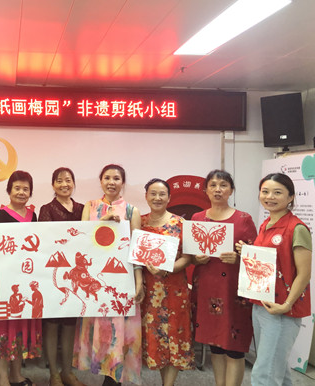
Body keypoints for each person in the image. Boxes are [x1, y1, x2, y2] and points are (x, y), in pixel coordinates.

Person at [237, 173, 311, 386]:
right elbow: (270, 261)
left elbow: (304, 274)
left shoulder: (297, 228)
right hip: (261, 304)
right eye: (265, 191)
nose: (270, 197)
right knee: (277, 370)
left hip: (282, 309)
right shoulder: (266, 224)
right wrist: (248, 251)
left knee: (264, 374)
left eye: (277, 192)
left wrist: (286, 305)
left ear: (291, 197)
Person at [73, 164, 144, 386]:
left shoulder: (132, 211)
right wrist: (102, 222)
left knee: (119, 329)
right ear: (101, 181)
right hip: (94, 279)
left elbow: (136, 250)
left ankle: (114, 378)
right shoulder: (90, 206)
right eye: (107, 178)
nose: (111, 182)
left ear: (123, 182)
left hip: (121, 279)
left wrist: (139, 282)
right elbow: (81, 240)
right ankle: (107, 375)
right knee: (101, 328)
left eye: (116, 178)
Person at [191, 169, 256, 386]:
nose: (218, 189)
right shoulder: (197, 218)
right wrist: (196, 259)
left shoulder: (244, 219)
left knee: (234, 348)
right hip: (207, 288)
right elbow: (190, 255)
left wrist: (239, 258)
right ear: (205, 190)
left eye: (223, 185)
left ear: (231, 190)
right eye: (213, 185)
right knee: (215, 346)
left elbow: (257, 256)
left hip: (233, 291)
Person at [0, 170, 42, 386]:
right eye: (17, 188)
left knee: (20, 327)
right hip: (6, 281)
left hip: (26, 279)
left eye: (25, 189)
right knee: (3, 327)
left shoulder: (33, 216)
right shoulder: (1, 215)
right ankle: (2, 377)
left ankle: (16, 375)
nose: (21, 192)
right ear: (9, 190)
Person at [140, 178, 194, 386]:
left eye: (162, 194)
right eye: (153, 193)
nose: (157, 198)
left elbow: (187, 257)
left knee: (174, 337)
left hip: (175, 291)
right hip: (149, 292)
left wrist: (167, 268)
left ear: (169, 197)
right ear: (146, 196)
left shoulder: (180, 223)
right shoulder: (140, 223)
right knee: (157, 338)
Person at [38, 167, 85, 386]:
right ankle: (54, 375)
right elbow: (46, 241)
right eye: (59, 180)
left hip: (75, 276)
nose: (64, 184)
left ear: (73, 183)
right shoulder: (46, 209)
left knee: (69, 324)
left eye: (68, 180)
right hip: (53, 274)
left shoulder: (83, 209)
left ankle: (67, 372)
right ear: (53, 185)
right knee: (51, 323)